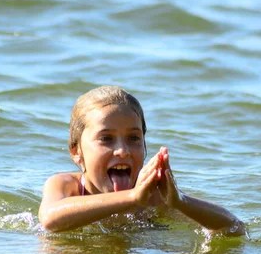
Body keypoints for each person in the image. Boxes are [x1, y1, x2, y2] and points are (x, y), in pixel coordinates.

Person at [38, 85, 246, 236]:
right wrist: (131, 197)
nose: (122, 150)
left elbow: (234, 228)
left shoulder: (153, 198)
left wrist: (180, 202)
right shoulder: (66, 186)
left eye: (134, 138)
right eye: (106, 139)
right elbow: (50, 220)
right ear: (76, 152)